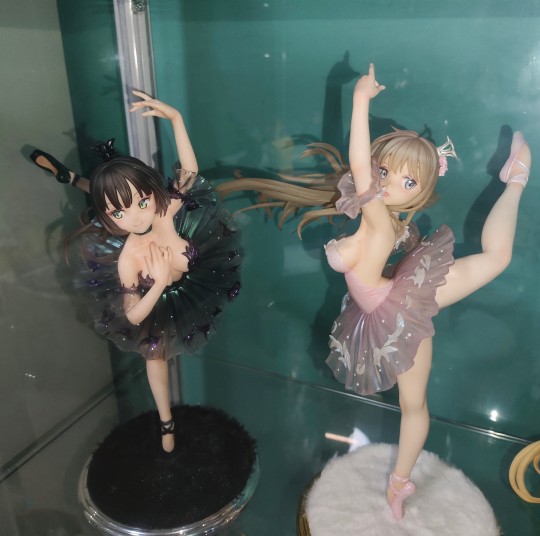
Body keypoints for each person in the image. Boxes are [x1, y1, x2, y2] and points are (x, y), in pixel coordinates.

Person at [219, 64, 531, 520]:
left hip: (404, 301)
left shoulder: (379, 218)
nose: (387, 184)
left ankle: (518, 176)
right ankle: (399, 484)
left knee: (494, 259)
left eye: (408, 182)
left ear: (420, 191)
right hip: (390, 311)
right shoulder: (379, 216)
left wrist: (360, 100)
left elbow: (359, 165)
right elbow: (361, 170)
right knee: (414, 405)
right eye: (387, 172)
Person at [30, 92, 242, 453]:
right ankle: (166, 422)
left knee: (121, 193)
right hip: (156, 302)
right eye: (118, 213)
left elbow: (189, 173)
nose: (136, 217)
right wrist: (156, 284)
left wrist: (176, 119)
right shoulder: (129, 257)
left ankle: (76, 179)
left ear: (152, 194)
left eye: (142, 202)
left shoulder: (164, 210)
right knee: (153, 357)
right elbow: (132, 315)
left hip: (192, 281)